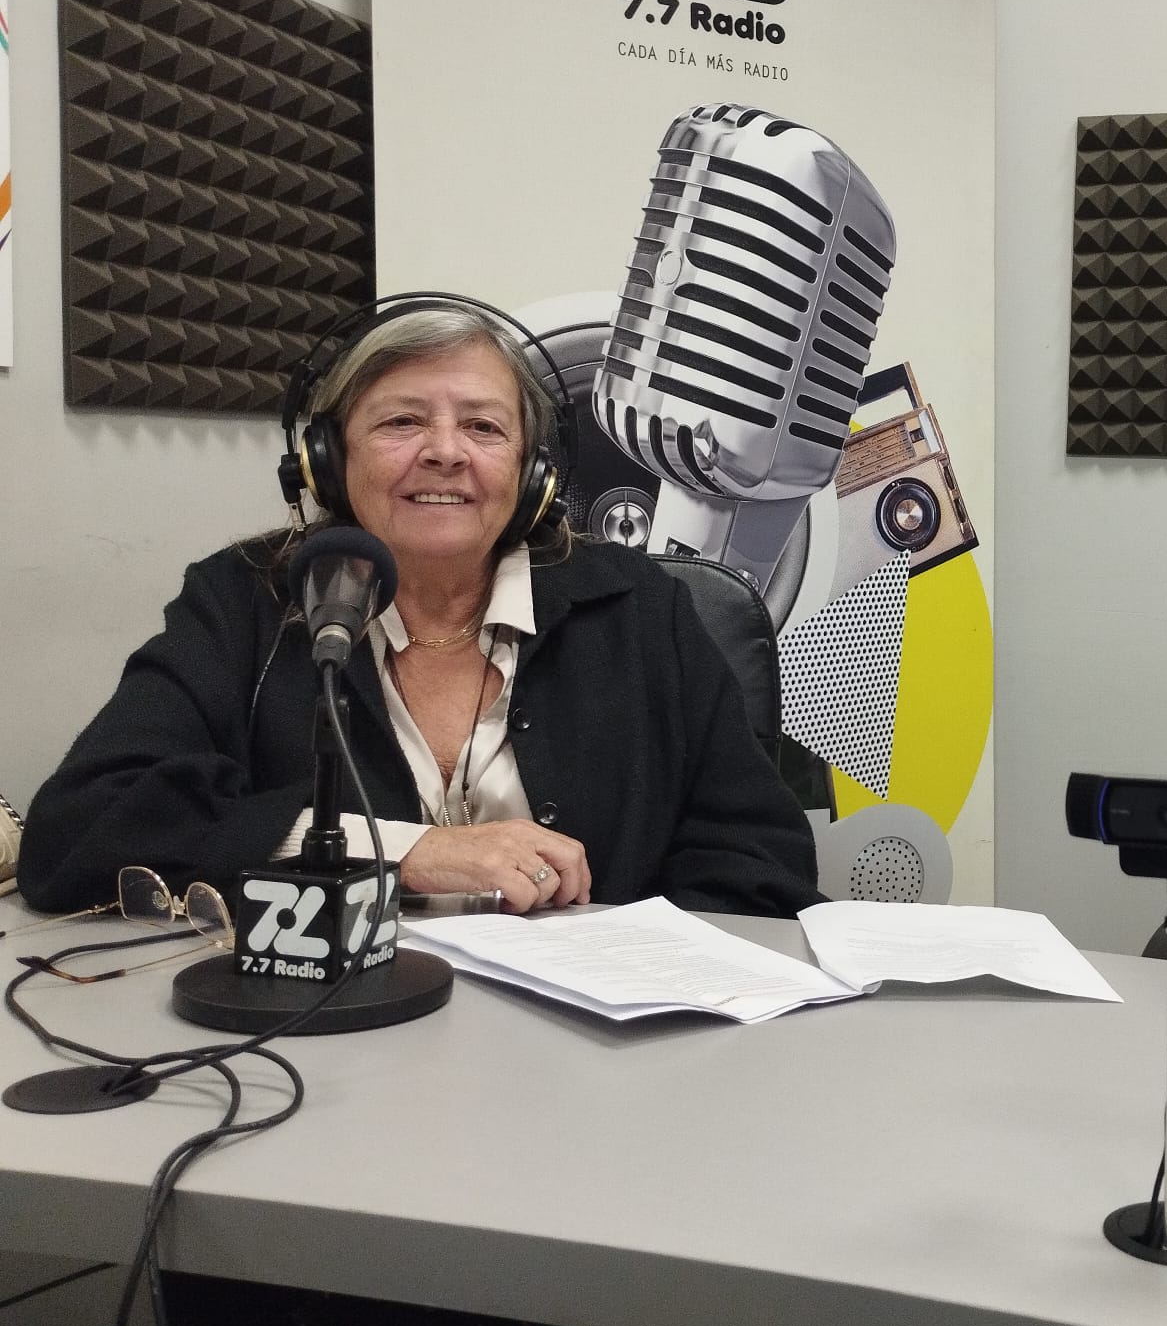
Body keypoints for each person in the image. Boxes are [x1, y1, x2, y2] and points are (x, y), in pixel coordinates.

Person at [19, 300, 821, 921]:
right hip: (333, 1043)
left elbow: (760, 863)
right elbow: (82, 827)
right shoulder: (246, 603)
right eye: (402, 421)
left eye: (483, 426)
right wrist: (403, 852)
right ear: (328, 462)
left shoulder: (644, 611)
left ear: (532, 472)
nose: (445, 450)